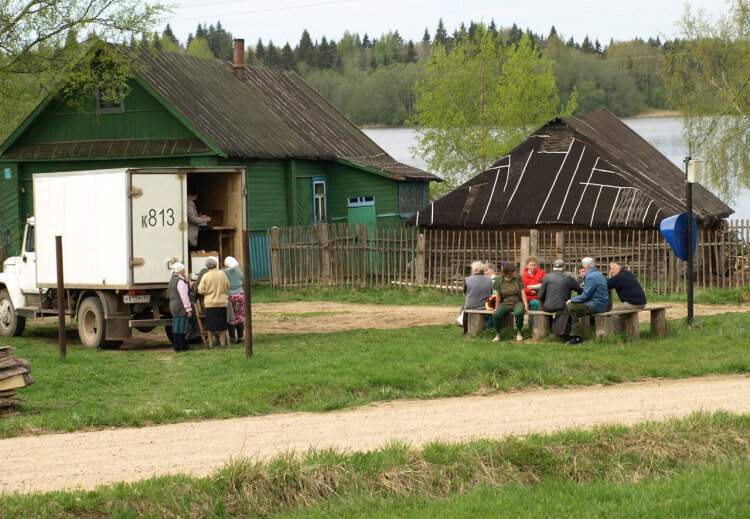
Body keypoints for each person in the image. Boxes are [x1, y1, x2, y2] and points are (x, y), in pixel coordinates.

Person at [566, 257, 608, 344]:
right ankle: (580, 332)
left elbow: (586, 295)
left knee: (571, 307)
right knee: (575, 307)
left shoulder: (590, 276)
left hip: (596, 305)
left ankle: (576, 337)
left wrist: (572, 300)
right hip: (600, 303)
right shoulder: (598, 274)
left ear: (584, 266)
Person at [539, 260, 583, 338]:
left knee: (560, 309)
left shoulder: (547, 277)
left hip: (547, 306)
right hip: (562, 306)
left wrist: (545, 302)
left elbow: (540, 295)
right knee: (569, 308)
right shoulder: (568, 278)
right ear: (564, 268)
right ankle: (563, 332)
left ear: (553, 268)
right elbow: (578, 288)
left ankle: (552, 329)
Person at [197, 257, 230, 348]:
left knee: (210, 325)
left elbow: (200, 290)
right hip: (222, 302)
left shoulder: (206, 276)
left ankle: (211, 344)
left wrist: (207, 292)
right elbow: (228, 286)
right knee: (222, 325)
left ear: (207, 266)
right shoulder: (222, 274)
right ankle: (223, 344)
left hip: (210, 303)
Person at [492, 263, 529, 343]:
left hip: (517, 302)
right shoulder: (499, 279)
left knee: (519, 313)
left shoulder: (518, 277)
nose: (516, 272)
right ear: (508, 274)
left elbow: (523, 293)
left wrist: (525, 305)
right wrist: (496, 307)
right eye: (514, 271)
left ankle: (519, 332)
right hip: (505, 302)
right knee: (496, 315)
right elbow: (497, 295)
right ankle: (498, 334)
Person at [459, 261, 493, 333]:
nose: (472, 271)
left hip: (471, 305)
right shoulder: (489, 279)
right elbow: (491, 292)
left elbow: (465, 292)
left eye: (472, 270)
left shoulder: (468, 279)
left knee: (464, 309)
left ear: (476, 270)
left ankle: (466, 331)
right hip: (485, 305)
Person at [168, 262, 192, 353]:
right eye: (183, 269)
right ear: (180, 271)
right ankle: (182, 345)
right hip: (180, 306)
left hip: (173, 305)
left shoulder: (172, 279)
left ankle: (176, 345)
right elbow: (184, 296)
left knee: (176, 326)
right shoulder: (180, 281)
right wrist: (188, 309)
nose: (184, 271)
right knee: (182, 326)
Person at [222, 256, 245, 344]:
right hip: (240, 295)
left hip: (230, 296)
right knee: (239, 317)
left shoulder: (223, 272)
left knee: (231, 317)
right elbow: (242, 279)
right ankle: (241, 337)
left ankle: (232, 338)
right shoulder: (239, 271)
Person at [521, 256, 545, 325]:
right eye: (531, 265)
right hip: (528, 297)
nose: (533, 267)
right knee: (534, 303)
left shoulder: (542, 273)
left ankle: (541, 323)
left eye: (535, 265)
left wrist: (537, 291)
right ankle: (534, 324)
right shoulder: (523, 276)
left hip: (539, 296)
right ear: (527, 266)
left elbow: (545, 284)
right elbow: (521, 288)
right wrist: (529, 291)